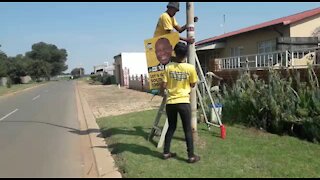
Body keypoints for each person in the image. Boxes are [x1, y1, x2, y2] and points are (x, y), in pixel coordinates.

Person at [160, 42, 200, 163]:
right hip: (183, 102)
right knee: (187, 129)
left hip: (171, 103)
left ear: (175, 53)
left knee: (171, 127)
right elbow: (193, 84)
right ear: (186, 54)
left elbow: (163, 85)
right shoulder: (190, 68)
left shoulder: (168, 67)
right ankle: (191, 156)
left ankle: (166, 152)